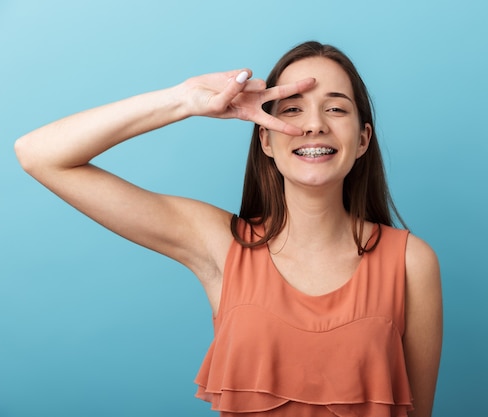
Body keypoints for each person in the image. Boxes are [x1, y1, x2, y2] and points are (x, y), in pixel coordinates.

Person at [15, 41, 442, 417]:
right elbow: (38, 154)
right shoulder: (223, 245)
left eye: (335, 108)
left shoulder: (411, 262)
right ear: (266, 141)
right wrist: (183, 100)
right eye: (293, 109)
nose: (314, 125)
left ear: (363, 139)